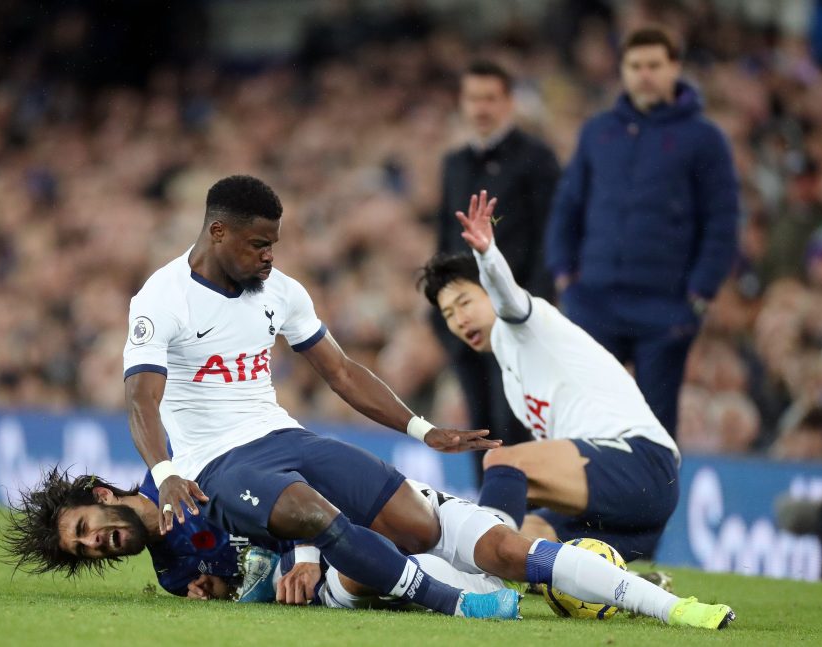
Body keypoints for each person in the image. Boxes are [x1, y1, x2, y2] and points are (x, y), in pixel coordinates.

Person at [120, 174, 732, 627]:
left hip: (284, 437)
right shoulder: (161, 299)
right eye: (258, 244)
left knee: (416, 523)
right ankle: (455, 603)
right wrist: (166, 471)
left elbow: (341, 371)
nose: (268, 256)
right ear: (217, 231)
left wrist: (420, 428)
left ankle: (643, 602)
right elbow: (143, 403)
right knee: (312, 512)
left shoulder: (280, 290)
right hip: (216, 464)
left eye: (274, 244)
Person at [0, 467, 734, 629]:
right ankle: (606, 583)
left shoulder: (188, 468)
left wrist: (305, 553)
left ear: (97, 494)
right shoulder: (172, 574)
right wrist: (236, 591)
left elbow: (291, 488)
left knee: (505, 547)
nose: (98, 543)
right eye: (87, 551)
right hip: (353, 572)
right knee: (374, 572)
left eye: (85, 529)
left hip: (359, 508)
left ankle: (647, 593)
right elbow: (258, 583)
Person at [421, 190, 681, 562]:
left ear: (488, 295)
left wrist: (486, 255)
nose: (459, 319)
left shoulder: (527, 324)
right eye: (448, 314)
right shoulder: (513, 379)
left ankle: (477, 572)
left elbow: (509, 297)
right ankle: (620, 581)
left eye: (465, 302)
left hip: (642, 465)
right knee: (528, 533)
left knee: (502, 462)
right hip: (619, 506)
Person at [545, 26, 740, 438]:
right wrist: (564, 272)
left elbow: (722, 221)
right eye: (636, 66)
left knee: (652, 429)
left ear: (675, 68)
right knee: (585, 420)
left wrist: (700, 294)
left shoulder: (705, 139)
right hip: (594, 301)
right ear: (623, 70)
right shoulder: (598, 131)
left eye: (654, 65)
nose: (645, 74)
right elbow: (568, 205)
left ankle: (652, 506)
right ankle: (583, 504)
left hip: (665, 308)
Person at [435, 60, 561, 467]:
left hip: (512, 318)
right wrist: (438, 306)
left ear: (508, 102)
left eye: (490, 98)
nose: (481, 108)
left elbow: (549, 239)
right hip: (463, 319)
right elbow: (443, 236)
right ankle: (487, 522)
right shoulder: (454, 162)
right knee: (476, 429)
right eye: (473, 98)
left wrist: (531, 307)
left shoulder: (538, 159)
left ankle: (520, 523)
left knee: (514, 427)